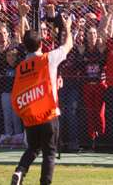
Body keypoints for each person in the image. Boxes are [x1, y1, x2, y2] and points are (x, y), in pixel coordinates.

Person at [10, 13, 73, 185]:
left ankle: (20, 171)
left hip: (30, 116)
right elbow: (68, 45)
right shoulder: (48, 59)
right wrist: (67, 27)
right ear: (41, 44)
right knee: (49, 153)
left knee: (33, 148)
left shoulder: (21, 66)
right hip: (47, 114)